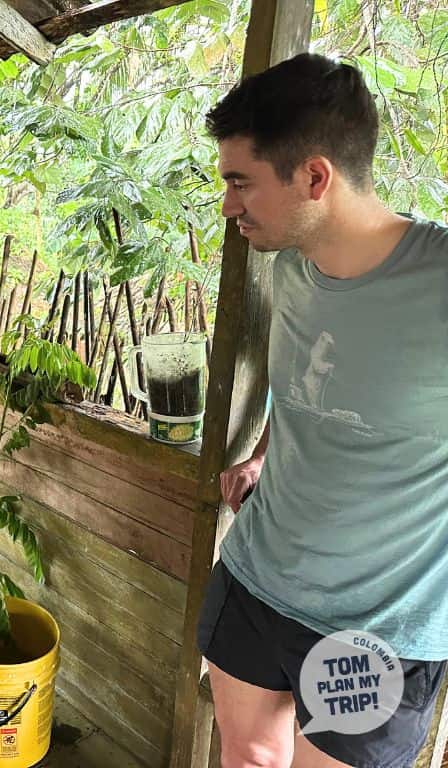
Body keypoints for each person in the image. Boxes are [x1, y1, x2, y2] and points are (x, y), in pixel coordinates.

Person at [197, 54, 448, 768]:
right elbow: (311, 385)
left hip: (375, 626)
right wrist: (267, 451)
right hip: (258, 578)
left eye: (241, 182)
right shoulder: (291, 266)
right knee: (245, 757)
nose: (228, 205)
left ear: (314, 177)